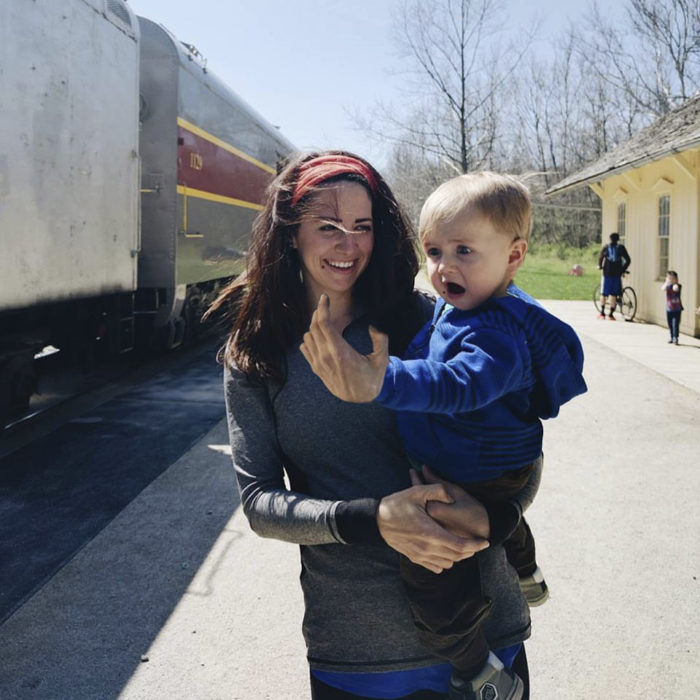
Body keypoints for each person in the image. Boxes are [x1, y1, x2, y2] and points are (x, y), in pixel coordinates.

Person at [210, 151, 540, 699]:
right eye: (328, 227)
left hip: (487, 630)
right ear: (290, 233)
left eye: (362, 227)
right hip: (357, 652)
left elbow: (522, 448)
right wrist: (374, 519)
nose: (348, 245)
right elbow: (261, 504)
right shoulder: (256, 354)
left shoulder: (433, 321)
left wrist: (492, 513)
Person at [301, 172, 587, 700]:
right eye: (433, 250)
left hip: (483, 470)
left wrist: (381, 378)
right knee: (488, 510)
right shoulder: (458, 311)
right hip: (476, 471)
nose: (443, 267)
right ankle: (526, 567)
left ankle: (477, 671)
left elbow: (458, 384)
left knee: (433, 584)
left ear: (515, 255)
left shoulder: (494, 331)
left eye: (463, 250)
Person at [597, 232, 631, 320]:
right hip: (617, 274)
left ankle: (602, 313)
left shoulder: (606, 247)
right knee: (614, 294)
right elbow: (628, 260)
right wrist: (623, 269)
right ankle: (611, 314)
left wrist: (600, 266)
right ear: (618, 239)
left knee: (603, 294)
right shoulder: (621, 248)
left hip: (607, 273)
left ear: (610, 239)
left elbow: (601, 258)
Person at [661, 270, 684, 344]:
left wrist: (674, 283)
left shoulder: (677, 285)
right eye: (669, 278)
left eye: (672, 278)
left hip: (677, 309)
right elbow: (663, 288)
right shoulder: (667, 286)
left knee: (675, 324)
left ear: (676, 279)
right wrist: (667, 282)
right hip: (669, 309)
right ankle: (671, 337)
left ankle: (675, 338)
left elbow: (675, 288)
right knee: (670, 324)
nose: (671, 280)